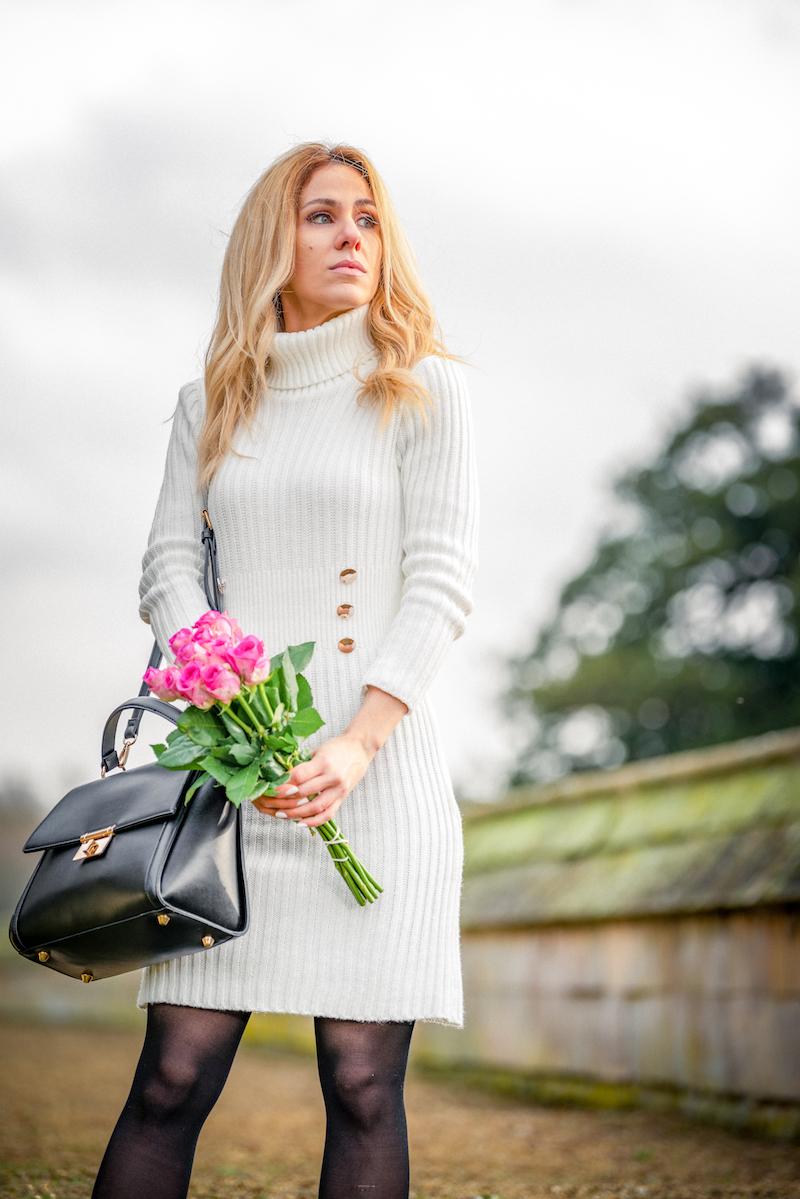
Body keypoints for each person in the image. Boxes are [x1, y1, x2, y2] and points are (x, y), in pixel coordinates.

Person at [92, 140, 480, 1199]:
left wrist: (355, 743)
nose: (351, 235)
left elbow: (440, 579)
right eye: (321, 216)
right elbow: (169, 567)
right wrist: (226, 703)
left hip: (378, 779)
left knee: (362, 1083)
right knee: (171, 1077)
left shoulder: (425, 388)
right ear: (275, 238)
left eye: (365, 218)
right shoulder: (208, 400)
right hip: (230, 782)